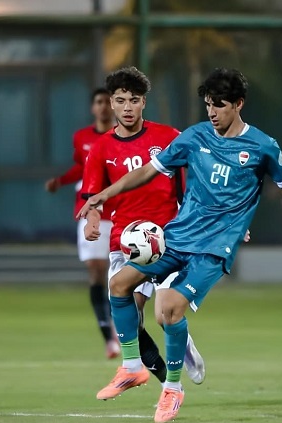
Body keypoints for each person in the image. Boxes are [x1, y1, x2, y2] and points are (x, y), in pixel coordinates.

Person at [78, 68, 282, 423]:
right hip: (176, 238)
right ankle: (131, 366)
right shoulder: (195, 136)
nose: (212, 112)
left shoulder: (262, 146)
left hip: (213, 249)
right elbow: (147, 171)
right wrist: (104, 195)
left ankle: (172, 389)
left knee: (169, 310)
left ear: (239, 104)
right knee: (118, 284)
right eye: (208, 105)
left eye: (219, 105)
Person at [80, 67, 206, 389]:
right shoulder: (101, 148)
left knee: (165, 315)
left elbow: (198, 179)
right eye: (121, 100)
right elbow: (93, 196)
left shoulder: (168, 137)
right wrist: (92, 220)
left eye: (134, 100)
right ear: (111, 103)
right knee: (129, 318)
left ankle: (181, 342)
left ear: (143, 103)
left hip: (167, 237)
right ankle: (165, 381)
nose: (127, 107)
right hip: (124, 241)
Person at [44, 88, 119, 359]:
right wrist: (61, 181)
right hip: (91, 211)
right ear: (92, 108)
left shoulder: (123, 136)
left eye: (108, 102)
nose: (104, 107)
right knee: (96, 270)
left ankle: (121, 329)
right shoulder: (82, 137)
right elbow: (81, 167)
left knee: (118, 277)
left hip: (119, 211)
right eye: (99, 102)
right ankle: (108, 337)